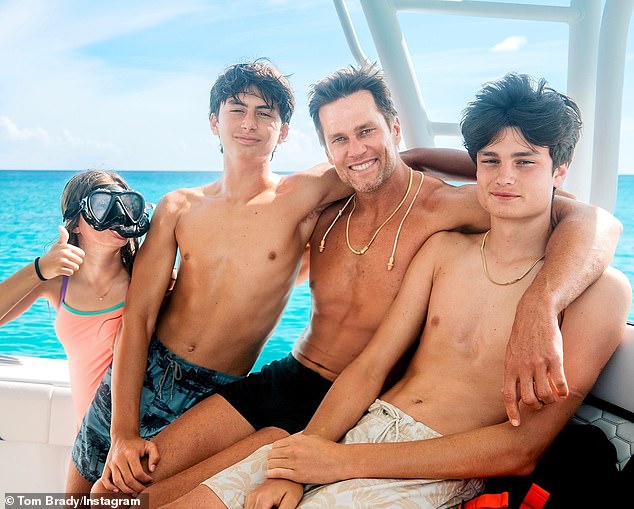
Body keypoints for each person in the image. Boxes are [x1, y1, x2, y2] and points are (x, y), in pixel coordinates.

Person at [127, 65, 622, 507]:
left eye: (368, 131)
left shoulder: (447, 211)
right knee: (131, 491)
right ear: (326, 150)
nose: (356, 149)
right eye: (339, 139)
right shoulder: (329, 202)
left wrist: (542, 303)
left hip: (364, 406)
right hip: (297, 378)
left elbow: (589, 218)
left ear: (393, 127)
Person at [76, 59, 474, 495]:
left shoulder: (302, 193)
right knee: (92, 496)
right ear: (214, 121)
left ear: (283, 131)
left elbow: (394, 160)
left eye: (265, 112)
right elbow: (137, 320)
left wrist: (489, 170)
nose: (249, 122)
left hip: (237, 384)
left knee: (135, 496)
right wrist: (122, 434)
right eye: (236, 109)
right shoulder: (180, 206)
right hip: (168, 370)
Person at [0, 169, 149, 429]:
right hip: (88, 436)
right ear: (76, 222)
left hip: (138, 432)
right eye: (103, 205)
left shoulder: (146, 282)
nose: (119, 216)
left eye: (126, 205)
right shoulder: (58, 282)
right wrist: (39, 269)